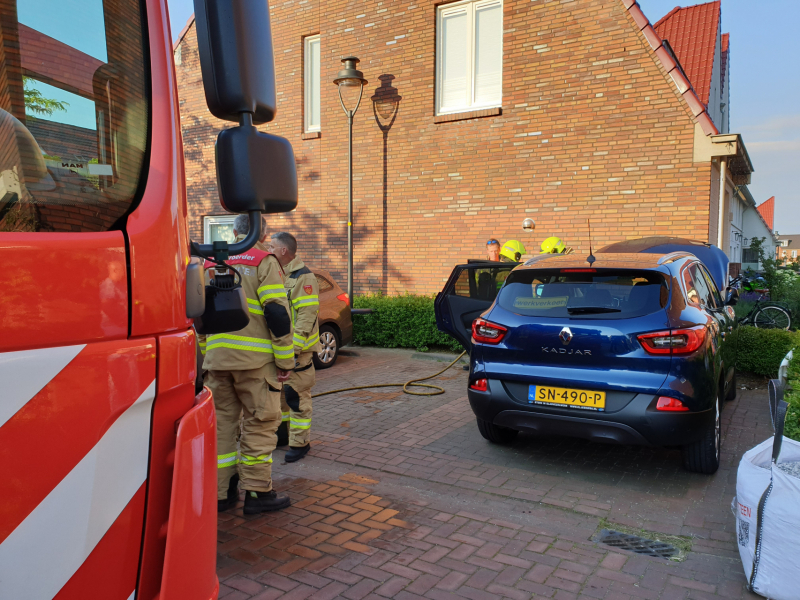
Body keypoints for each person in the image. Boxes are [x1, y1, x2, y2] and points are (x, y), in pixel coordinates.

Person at [199, 213, 296, 515]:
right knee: (260, 425)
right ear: (261, 235)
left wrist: (208, 351)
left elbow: (199, 315)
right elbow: (277, 315)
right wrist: (285, 360)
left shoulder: (211, 263)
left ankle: (221, 494)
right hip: (255, 365)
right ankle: (256, 494)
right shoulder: (263, 261)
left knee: (221, 428)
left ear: (234, 232)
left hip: (217, 363)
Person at [268, 232, 320, 463]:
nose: (269, 250)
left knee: (296, 398)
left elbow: (306, 319)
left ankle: (300, 443)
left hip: (297, 353)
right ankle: (282, 436)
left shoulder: (304, 278)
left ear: (283, 251)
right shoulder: (278, 275)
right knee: (279, 397)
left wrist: (293, 350)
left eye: (272, 247)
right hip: (281, 351)